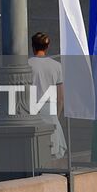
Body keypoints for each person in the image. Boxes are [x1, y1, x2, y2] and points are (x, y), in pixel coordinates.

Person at [28, 31, 66, 160]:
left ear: (33, 46)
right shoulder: (56, 66)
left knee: (34, 149)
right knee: (52, 150)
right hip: (49, 110)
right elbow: (60, 98)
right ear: (47, 47)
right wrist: (56, 116)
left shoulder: (26, 64)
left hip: (31, 110)